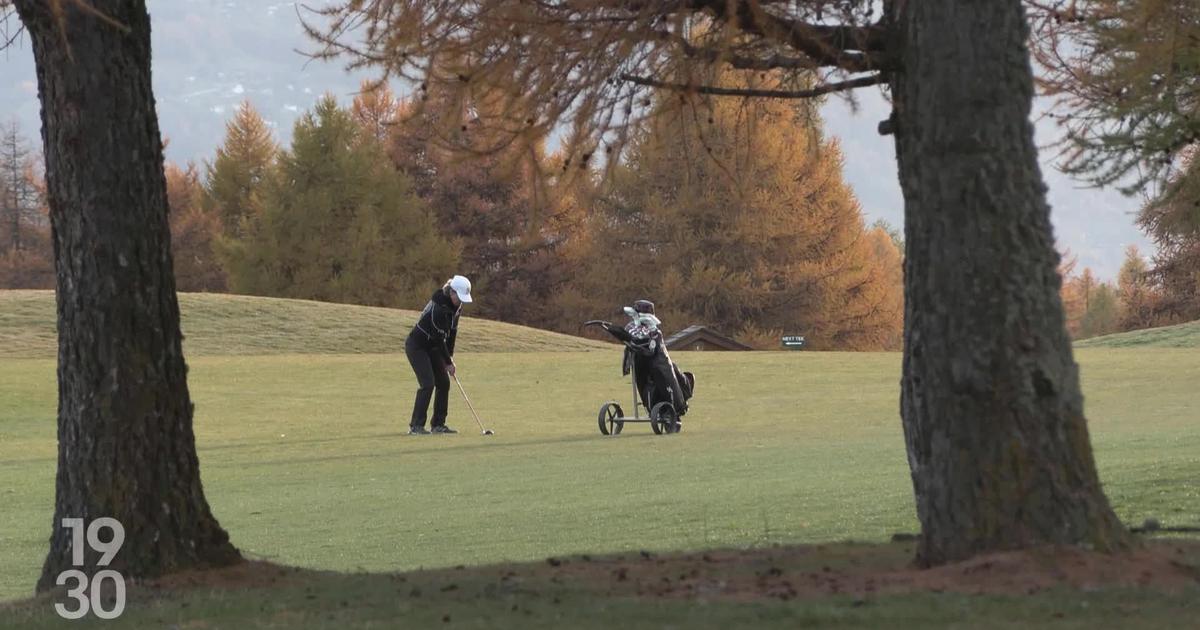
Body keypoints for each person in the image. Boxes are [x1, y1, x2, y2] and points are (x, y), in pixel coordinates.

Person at [405, 275, 472, 435]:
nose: (460, 302)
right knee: (428, 383)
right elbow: (439, 338)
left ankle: (438, 424)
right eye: (459, 298)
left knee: (443, 383)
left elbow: (452, 334)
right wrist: (447, 362)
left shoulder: (457, 307)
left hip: (433, 347)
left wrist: (450, 358)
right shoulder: (439, 308)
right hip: (417, 346)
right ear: (452, 292)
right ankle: (416, 426)